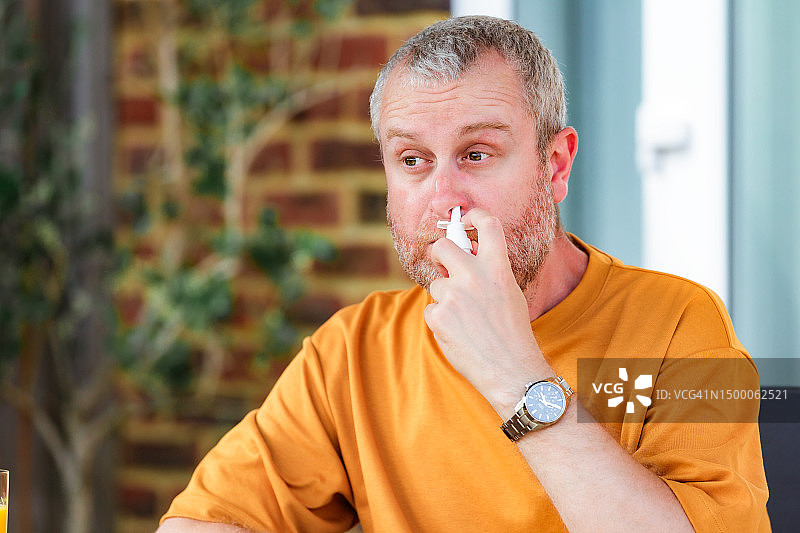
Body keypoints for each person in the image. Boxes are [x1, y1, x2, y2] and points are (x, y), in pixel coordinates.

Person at [158, 16, 770, 532]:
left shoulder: (680, 326)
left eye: (477, 154)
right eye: (412, 160)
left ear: (554, 166)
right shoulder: (352, 352)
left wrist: (514, 373)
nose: (445, 197)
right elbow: (194, 523)